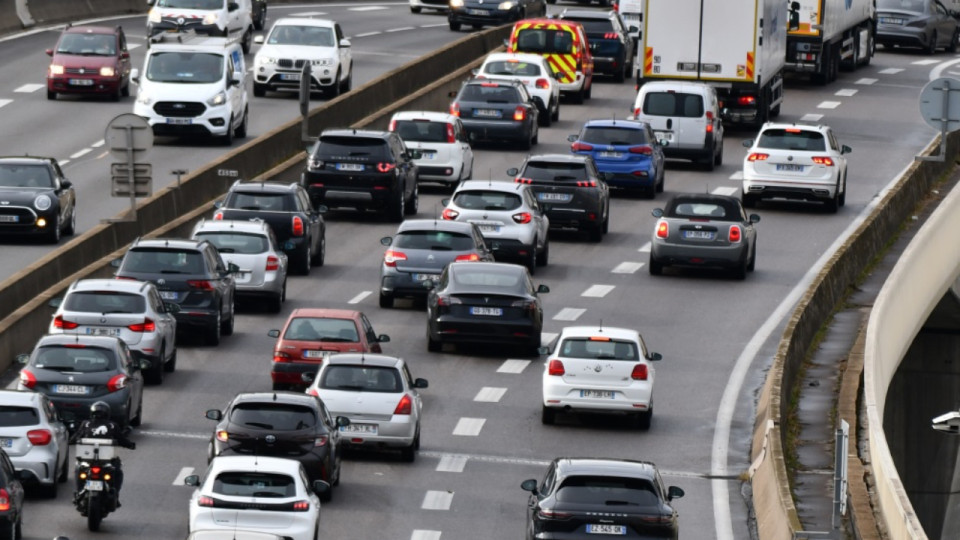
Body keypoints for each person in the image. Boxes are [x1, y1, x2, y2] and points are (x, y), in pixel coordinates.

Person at [70, 401, 135, 506]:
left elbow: (76, 437)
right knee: (117, 471)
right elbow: (122, 440)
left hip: (87, 460)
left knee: (78, 469)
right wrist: (131, 445)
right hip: (107, 461)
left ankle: (79, 493)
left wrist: (71, 441)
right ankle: (115, 495)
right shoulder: (112, 425)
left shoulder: (86, 424)